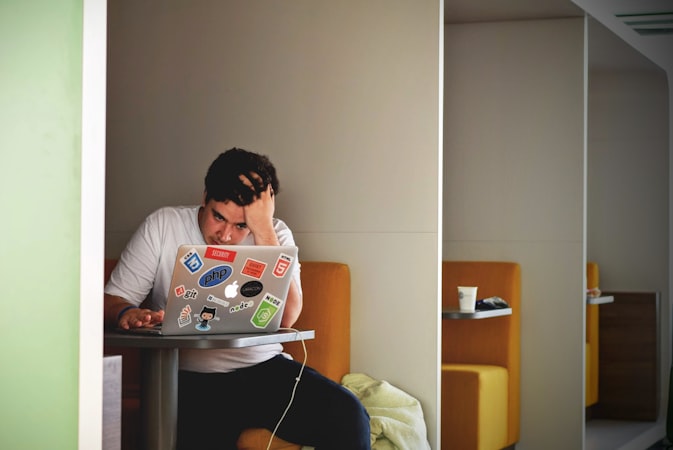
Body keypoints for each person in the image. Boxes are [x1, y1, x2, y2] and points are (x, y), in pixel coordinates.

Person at [103, 148, 371, 450]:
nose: (226, 235)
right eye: (219, 217)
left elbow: (287, 317)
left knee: (349, 415)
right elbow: (112, 300)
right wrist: (128, 312)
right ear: (205, 197)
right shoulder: (163, 225)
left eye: (241, 225)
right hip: (189, 378)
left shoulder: (275, 234)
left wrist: (263, 230)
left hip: (263, 370)